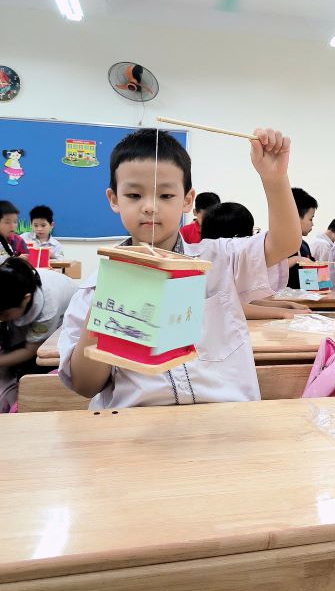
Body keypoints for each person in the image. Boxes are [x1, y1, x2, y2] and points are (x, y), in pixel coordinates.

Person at [58, 127, 300, 409]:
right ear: (114, 199)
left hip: (225, 419)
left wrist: (274, 179)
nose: (150, 207)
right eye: (134, 195)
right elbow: (85, 386)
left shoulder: (219, 260)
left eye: (165, 195)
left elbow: (285, 243)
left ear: (187, 200)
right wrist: (106, 309)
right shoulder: (95, 287)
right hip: (137, 424)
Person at [201, 201, 309, 319]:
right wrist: (282, 312)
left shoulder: (220, 256)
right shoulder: (217, 262)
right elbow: (229, 307)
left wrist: (286, 305)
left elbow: (245, 301)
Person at [0, 257, 77, 411]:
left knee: (32, 365)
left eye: (4, 314)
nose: (1, 319)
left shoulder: (48, 310)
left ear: (26, 299)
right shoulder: (15, 287)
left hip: (63, 320)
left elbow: (30, 350)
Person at [287, 187, 318, 289]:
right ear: (295, 217)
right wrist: (296, 259)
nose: (312, 224)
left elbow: (309, 281)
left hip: (304, 295)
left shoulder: (303, 245)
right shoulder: (280, 246)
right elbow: (273, 270)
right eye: (311, 219)